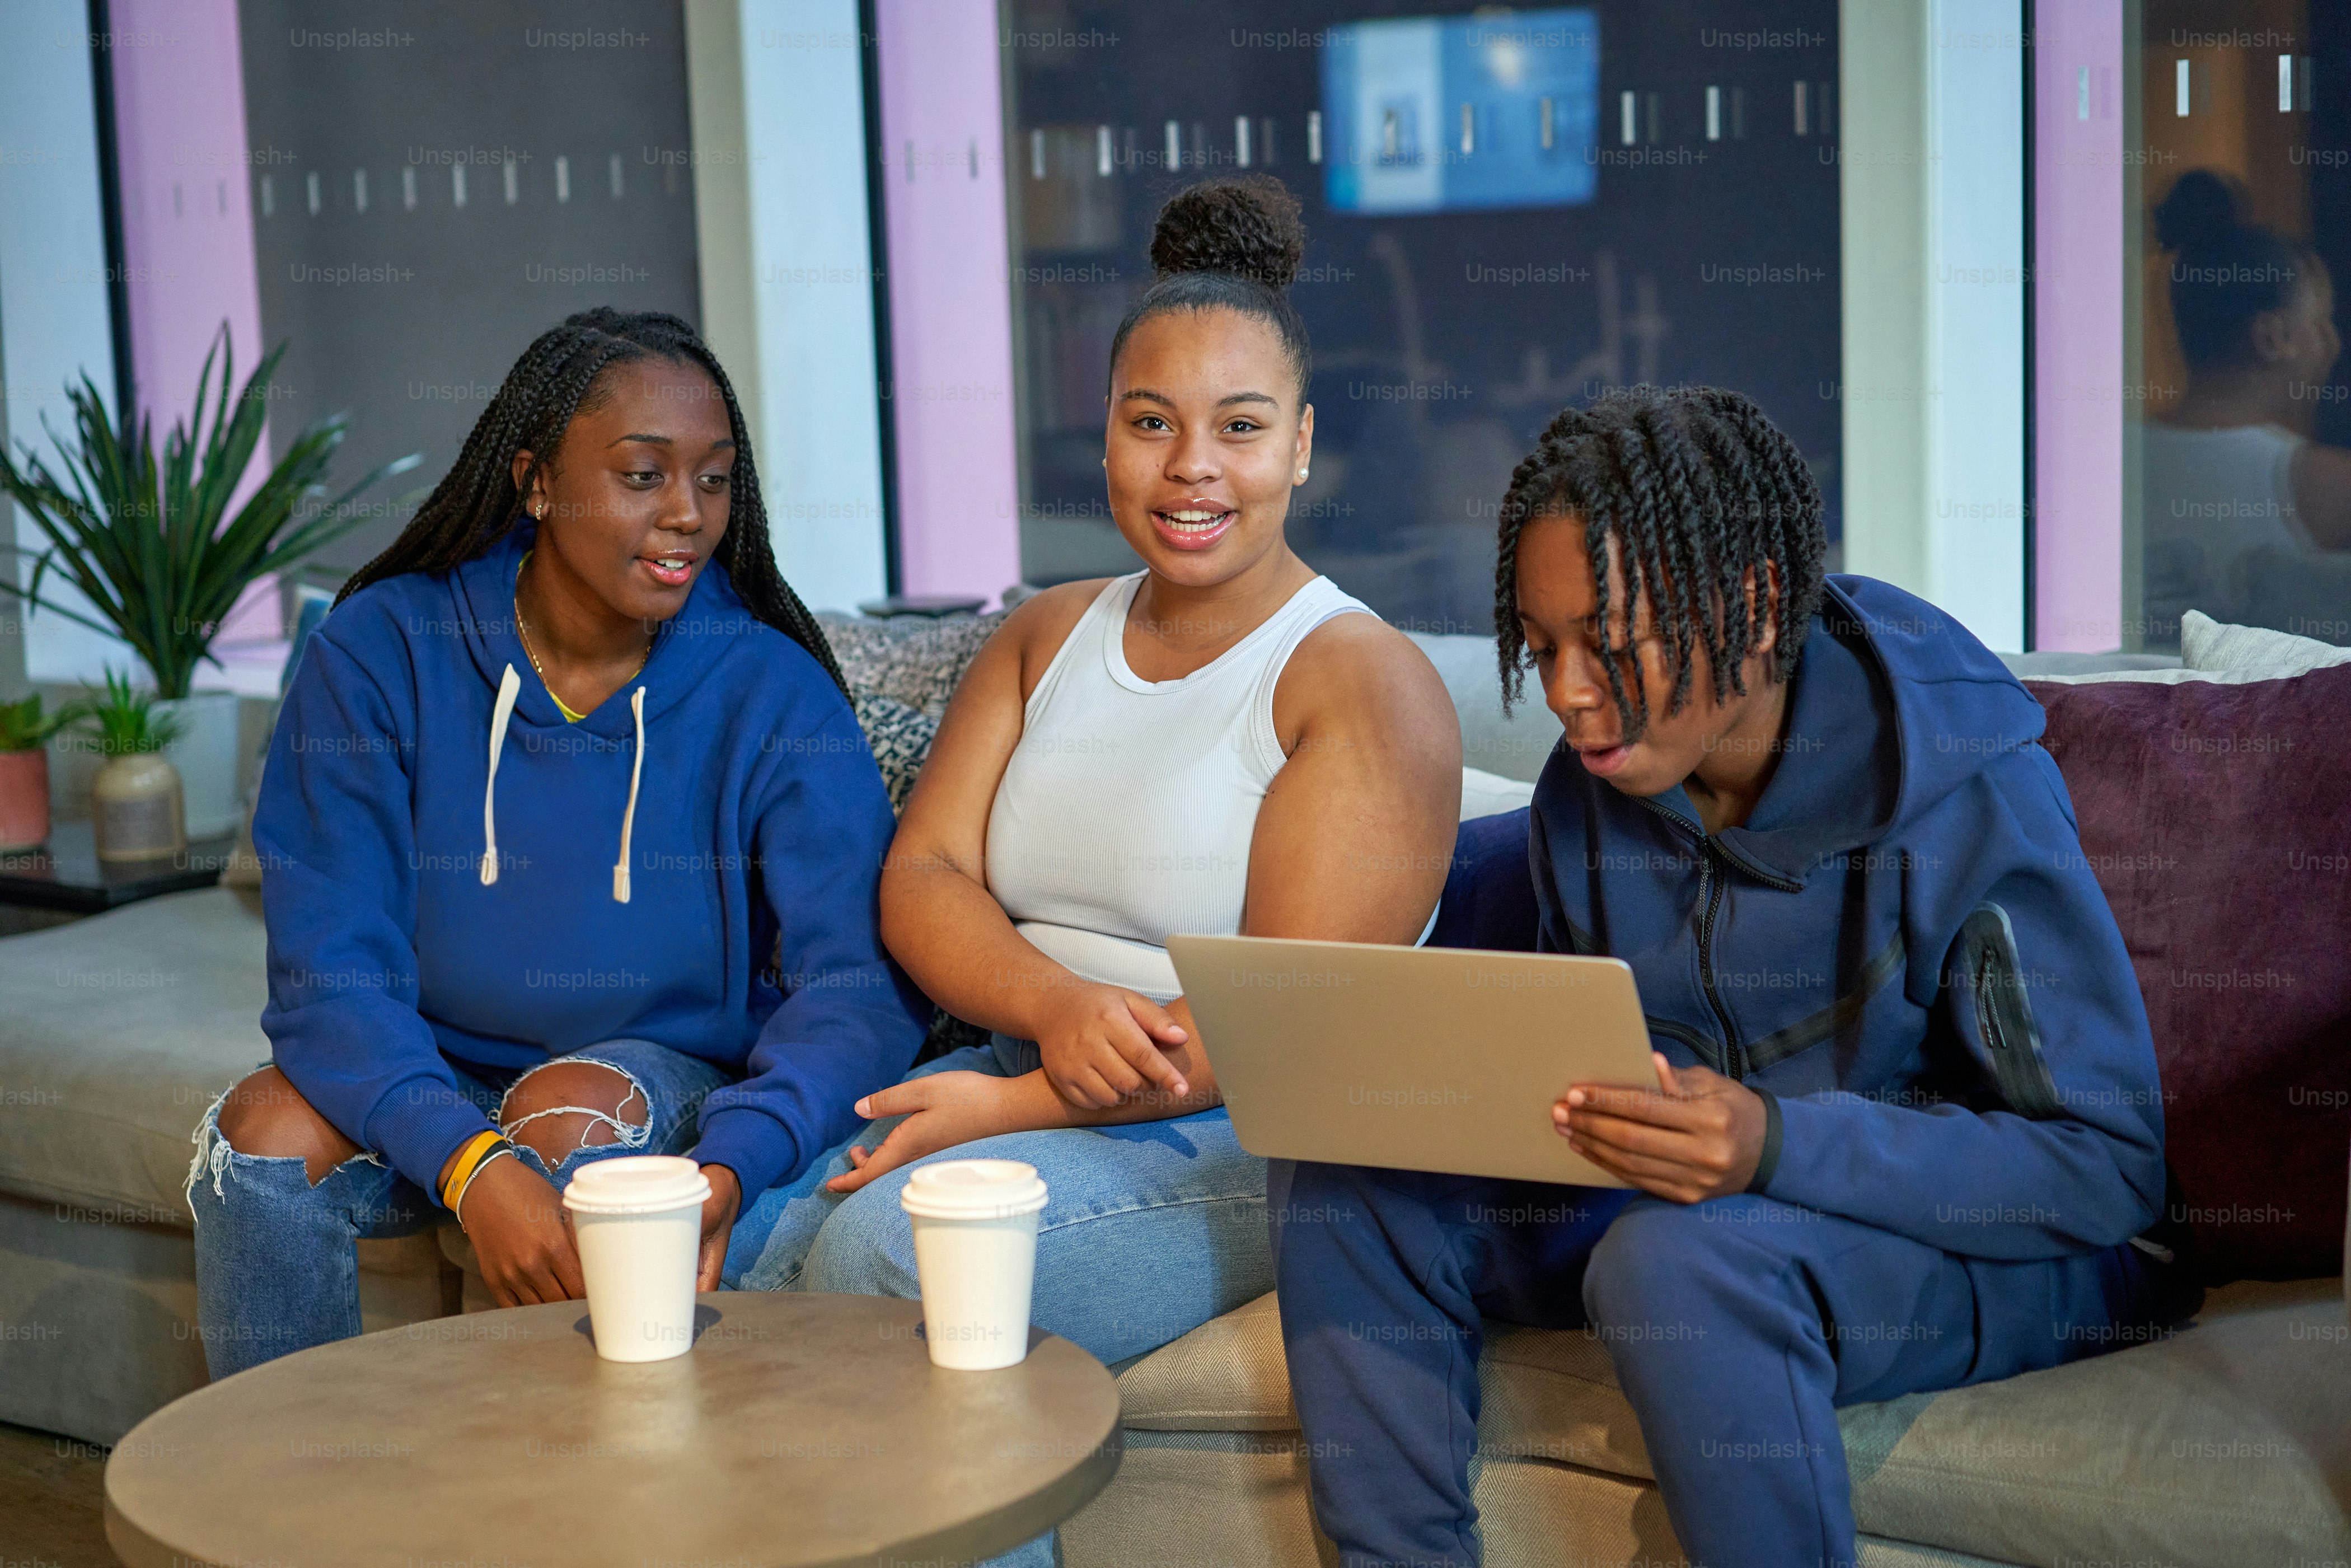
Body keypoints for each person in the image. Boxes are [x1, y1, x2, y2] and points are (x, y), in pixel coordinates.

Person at [1267, 386, 2199, 1567]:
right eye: (1541, 644)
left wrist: (1773, 1143)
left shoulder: (1972, 793)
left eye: (1605, 643)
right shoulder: (1588, 795)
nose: (1564, 690)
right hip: (1707, 1205)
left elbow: (2106, 1163)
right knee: (1347, 1170)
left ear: (1752, 601)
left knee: (1675, 1260)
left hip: (2019, 1245)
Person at [725, 174, 1461, 1364]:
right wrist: (1052, 1011)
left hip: (1251, 1125)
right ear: (1106, 426)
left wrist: (1010, 1104)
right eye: (1151, 420)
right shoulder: (1045, 632)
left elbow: (1289, 1025)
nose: (1191, 468)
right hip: (1017, 1052)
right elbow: (926, 871)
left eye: (1241, 425)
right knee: (737, 1251)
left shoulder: (1361, 679)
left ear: (1303, 443)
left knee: (899, 1264)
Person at [188, 308, 928, 1377]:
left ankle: (561, 1516)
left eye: (714, 480)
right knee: (258, 1136)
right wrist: (467, 1164)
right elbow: (328, 972)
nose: (688, 515)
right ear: (536, 482)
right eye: (643, 476)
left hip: (648, 1077)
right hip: (421, 1062)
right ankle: (272, 1510)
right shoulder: (385, 648)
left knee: (566, 1115)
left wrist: (735, 1161)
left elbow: (858, 986)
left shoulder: (768, 688)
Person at [2144, 168, 2350, 645]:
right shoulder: (2322, 485)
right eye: (2320, 322)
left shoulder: (2105, 465)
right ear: (2272, 337)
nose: (2333, 344)